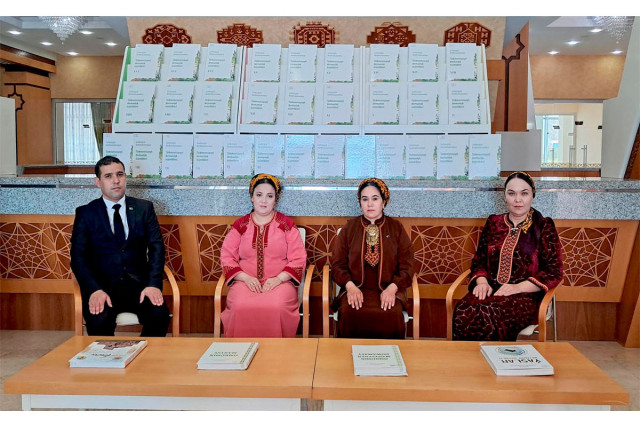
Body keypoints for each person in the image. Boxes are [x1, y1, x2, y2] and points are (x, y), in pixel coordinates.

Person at [453, 171, 564, 341]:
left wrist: (517, 288)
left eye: (524, 193)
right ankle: (468, 358)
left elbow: (554, 271)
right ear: (505, 196)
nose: (518, 199)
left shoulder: (543, 226)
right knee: (463, 309)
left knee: (491, 312)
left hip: (526, 295)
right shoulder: (494, 222)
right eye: (512, 193)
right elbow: (479, 260)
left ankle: (494, 358)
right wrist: (481, 282)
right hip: (490, 289)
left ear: (532, 196)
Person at [70, 156, 169, 336]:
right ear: (98, 182)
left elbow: (157, 248)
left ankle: (144, 353)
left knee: (159, 315)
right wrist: (94, 290)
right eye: (108, 176)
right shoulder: (86, 213)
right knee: (99, 320)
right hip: (102, 287)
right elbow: (78, 258)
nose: (116, 180)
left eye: (120, 174)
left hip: (140, 286)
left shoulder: (144, 208)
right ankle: (108, 355)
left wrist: (153, 284)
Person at [220, 173, 307, 337]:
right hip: (245, 282)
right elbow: (227, 256)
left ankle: (276, 351)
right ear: (252, 197)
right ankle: (240, 351)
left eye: (269, 196)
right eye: (259, 195)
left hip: (280, 283)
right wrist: (245, 278)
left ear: (276, 199)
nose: (264, 200)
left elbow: (298, 258)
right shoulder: (240, 225)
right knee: (239, 306)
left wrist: (278, 279)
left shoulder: (286, 224)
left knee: (277, 306)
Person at [330, 178, 415, 339]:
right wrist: (350, 287)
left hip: (388, 289)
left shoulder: (396, 228)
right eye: (365, 199)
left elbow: (407, 266)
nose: (370, 204)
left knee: (392, 313)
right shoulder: (350, 228)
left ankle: (389, 356)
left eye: (375, 198)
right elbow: (337, 265)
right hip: (355, 288)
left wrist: (393, 288)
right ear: (360, 202)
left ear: (384, 202)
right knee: (349, 312)